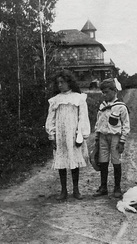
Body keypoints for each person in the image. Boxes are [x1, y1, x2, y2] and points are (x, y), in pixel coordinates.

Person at [45, 69, 91, 200]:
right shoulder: (55, 100)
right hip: (61, 135)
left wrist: (80, 135)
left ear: (69, 82)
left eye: (62, 82)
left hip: (73, 134)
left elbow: (83, 117)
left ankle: (76, 190)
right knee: (62, 161)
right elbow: (51, 119)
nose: (60, 85)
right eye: (58, 82)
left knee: (74, 161)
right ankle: (63, 190)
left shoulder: (78, 98)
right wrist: (52, 135)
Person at [93, 78, 130, 198]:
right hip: (103, 136)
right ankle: (103, 187)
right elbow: (98, 123)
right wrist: (97, 138)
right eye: (103, 92)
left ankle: (117, 187)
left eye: (107, 92)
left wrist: (122, 141)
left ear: (114, 91)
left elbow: (126, 125)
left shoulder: (121, 107)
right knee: (103, 161)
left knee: (116, 161)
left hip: (115, 137)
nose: (104, 95)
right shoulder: (102, 106)